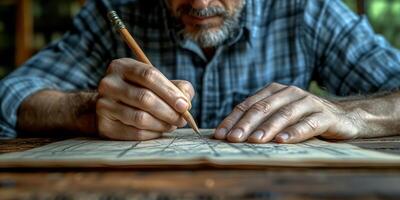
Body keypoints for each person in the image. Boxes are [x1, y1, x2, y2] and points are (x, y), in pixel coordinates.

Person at [1, 0, 400, 143]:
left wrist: (352, 114)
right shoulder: (116, 11)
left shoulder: (306, 10)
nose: (201, 2)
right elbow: (12, 95)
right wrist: (85, 111)